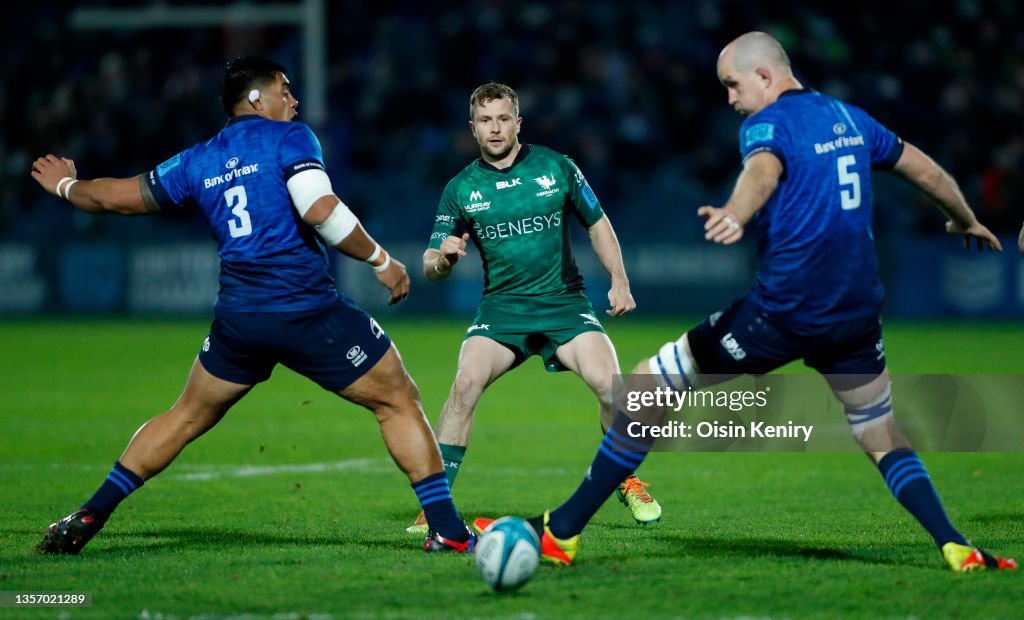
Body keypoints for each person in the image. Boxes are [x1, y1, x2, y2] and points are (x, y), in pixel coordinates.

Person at [475, 32, 1018, 573]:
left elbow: (762, 171)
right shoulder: (851, 118)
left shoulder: (767, 123)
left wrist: (736, 210)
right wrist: (965, 218)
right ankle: (955, 545)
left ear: (764, 76)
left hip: (784, 310)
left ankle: (562, 532)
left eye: (732, 85)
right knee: (878, 428)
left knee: (649, 381)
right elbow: (923, 168)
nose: (731, 99)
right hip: (855, 314)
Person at [31, 56, 473, 555]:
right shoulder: (290, 137)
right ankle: (449, 532)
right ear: (259, 99)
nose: (294, 98)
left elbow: (116, 197)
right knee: (396, 398)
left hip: (239, 319)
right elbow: (319, 208)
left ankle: (90, 514)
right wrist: (381, 259)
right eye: (285, 88)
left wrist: (65, 185)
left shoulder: (199, 159)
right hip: (306, 312)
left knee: (185, 415)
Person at [406, 82, 661, 534]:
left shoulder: (557, 166)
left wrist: (619, 281)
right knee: (464, 386)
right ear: (473, 128)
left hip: (565, 303)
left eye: (504, 118)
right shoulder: (460, 188)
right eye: (486, 120)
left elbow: (598, 224)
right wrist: (442, 259)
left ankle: (625, 479)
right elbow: (430, 266)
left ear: (518, 122)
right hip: (501, 309)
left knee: (611, 387)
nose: (496, 127)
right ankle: (437, 506)